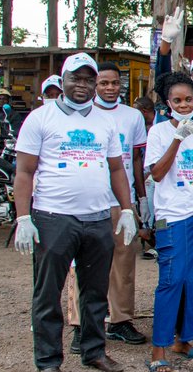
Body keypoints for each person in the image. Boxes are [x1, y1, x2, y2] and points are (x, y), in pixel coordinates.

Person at [12, 53, 138, 372]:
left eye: (87, 80)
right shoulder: (41, 118)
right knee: (48, 291)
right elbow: (24, 172)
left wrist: (127, 209)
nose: (81, 85)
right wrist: (23, 217)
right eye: (75, 78)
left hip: (97, 218)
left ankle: (94, 351)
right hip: (54, 217)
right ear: (63, 79)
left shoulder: (104, 121)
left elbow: (116, 169)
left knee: (95, 291)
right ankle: (48, 360)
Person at [64, 61, 151, 352]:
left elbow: (136, 160)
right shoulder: (81, 114)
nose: (110, 88)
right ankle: (81, 326)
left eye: (115, 83)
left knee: (124, 263)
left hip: (121, 201)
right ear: (94, 85)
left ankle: (120, 320)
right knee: (83, 264)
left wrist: (140, 199)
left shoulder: (132, 116)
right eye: (103, 83)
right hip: (88, 201)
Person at [143, 71, 193, 372]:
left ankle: (184, 341)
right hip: (170, 217)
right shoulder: (158, 133)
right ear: (167, 103)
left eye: (189, 100)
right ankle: (158, 347)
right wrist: (177, 139)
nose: (184, 105)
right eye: (177, 100)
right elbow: (157, 174)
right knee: (171, 281)